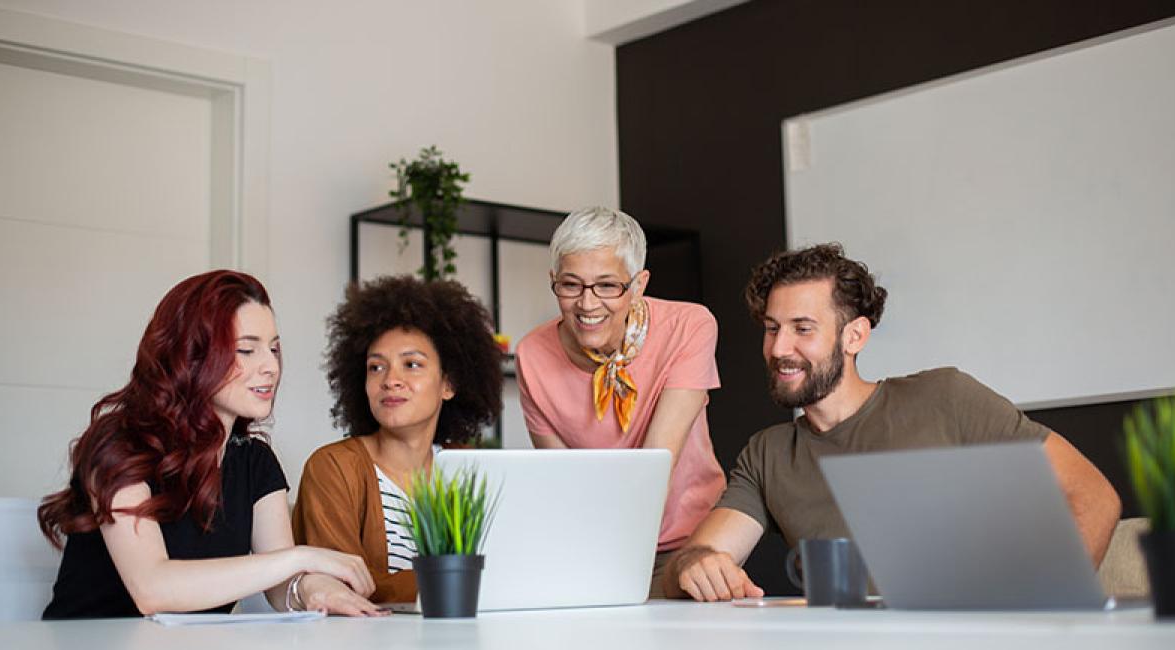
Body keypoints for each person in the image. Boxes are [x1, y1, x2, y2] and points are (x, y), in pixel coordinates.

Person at [664, 243, 1122, 601]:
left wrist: (1045, 616)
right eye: (771, 328)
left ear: (854, 335)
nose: (780, 348)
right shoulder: (768, 453)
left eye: (803, 329)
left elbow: (1094, 497)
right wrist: (696, 566)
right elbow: (698, 557)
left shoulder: (946, 397)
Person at [37, 270, 382, 619]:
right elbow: (152, 590)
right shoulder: (116, 447)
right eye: (246, 349)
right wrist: (302, 556)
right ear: (191, 356)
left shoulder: (254, 460)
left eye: (274, 348)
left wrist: (318, 589)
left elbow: (281, 585)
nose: (271, 366)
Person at [516, 206, 726, 597]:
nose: (587, 304)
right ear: (554, 281)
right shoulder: (531, 354)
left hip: (690, 542)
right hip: (596, 545)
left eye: (608, 286)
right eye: (571, 285)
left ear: (638, 284)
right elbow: (562, 482)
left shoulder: (690, 327)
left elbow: (656, 466)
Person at [292, 276, 503, 603]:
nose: (391, 380)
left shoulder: (467, 470)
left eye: (412, 365)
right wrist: (452, 581)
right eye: (376, 367)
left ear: (448, 384)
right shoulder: (333, 468)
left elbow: (505, 570)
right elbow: (341, 587)